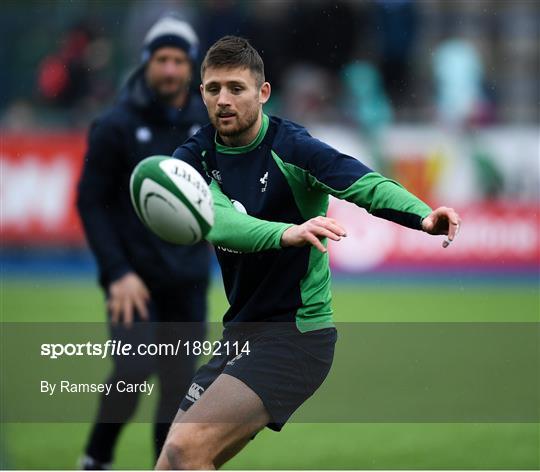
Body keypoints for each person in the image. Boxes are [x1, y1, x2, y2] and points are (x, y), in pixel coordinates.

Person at [155, 36, 461, 470]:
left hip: (296, 338)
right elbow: (220, 221)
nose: (223, 100)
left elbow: (364, 183)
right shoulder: (194, 156)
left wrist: (423, 216)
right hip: (240, 335)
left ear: (262, 93)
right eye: (213, 89)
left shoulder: (293, 148)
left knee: (187, 451)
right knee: (171, 463)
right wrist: (288, 233)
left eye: (236, 89)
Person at [76, 16, 210, 469]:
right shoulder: (115, 125)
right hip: (133, 278)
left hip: (188, 280)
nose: (169, 70)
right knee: (133, 372)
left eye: (178, 60)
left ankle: (164, 467)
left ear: (190, 67)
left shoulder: (209, 124)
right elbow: (90, 202)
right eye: (161, 59)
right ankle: (96, 458)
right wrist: (117, 273)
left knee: (179, 389)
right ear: (146, 63)